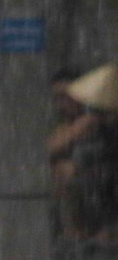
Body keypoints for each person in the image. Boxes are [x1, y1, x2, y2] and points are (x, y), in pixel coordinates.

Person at [50, 63, 118, 243]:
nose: (62, 103)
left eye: (66, 96)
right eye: (57, 98)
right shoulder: (68, 123)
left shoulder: (95, 117)